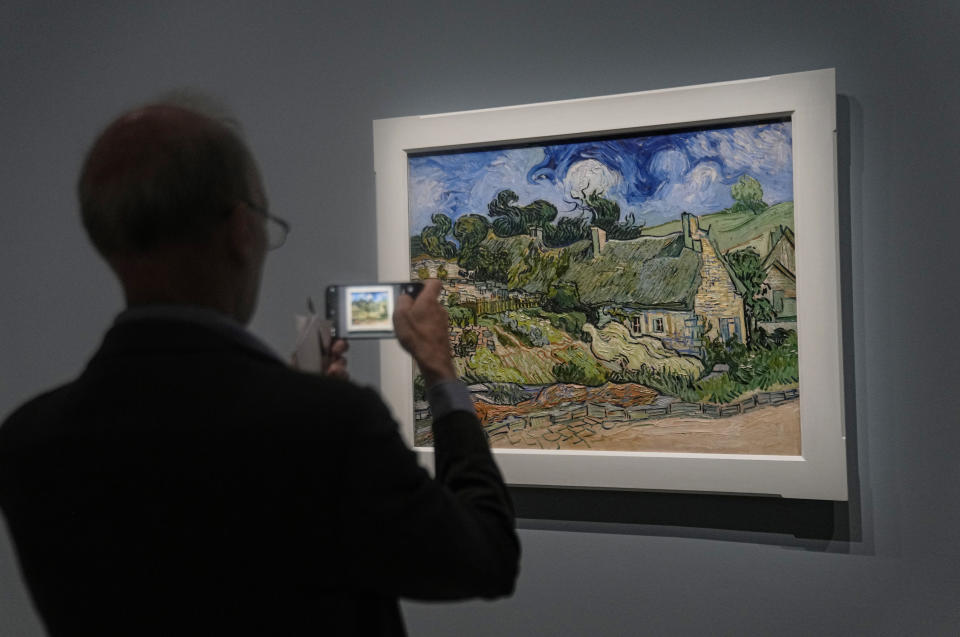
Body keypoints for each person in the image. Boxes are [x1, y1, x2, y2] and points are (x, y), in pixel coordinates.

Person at [0, 99, 519, 636]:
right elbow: (485, 557)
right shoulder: (330, 427)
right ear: (242, 231)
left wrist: (296, 395)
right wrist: (440, 373)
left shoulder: (28, 442)